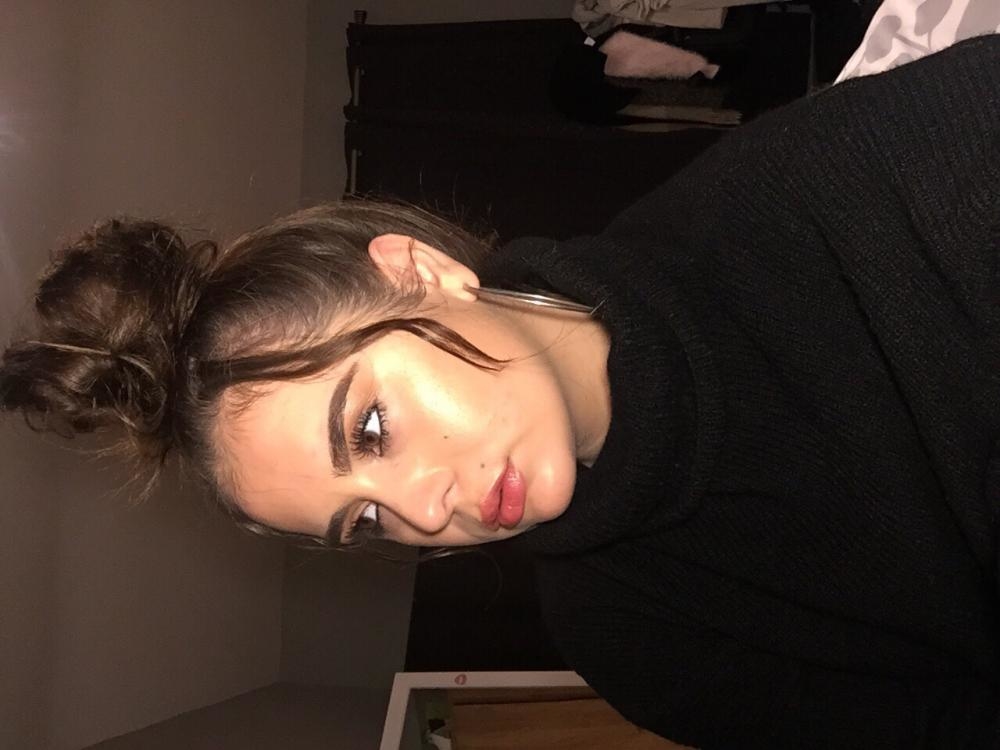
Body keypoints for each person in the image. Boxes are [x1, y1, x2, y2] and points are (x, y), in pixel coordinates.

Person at [3, 35, 1000, 749]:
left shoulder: (834, 190)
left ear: (422, 270)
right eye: (365, 521)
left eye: (372, 426)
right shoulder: (639, 646)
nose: (425, 511)